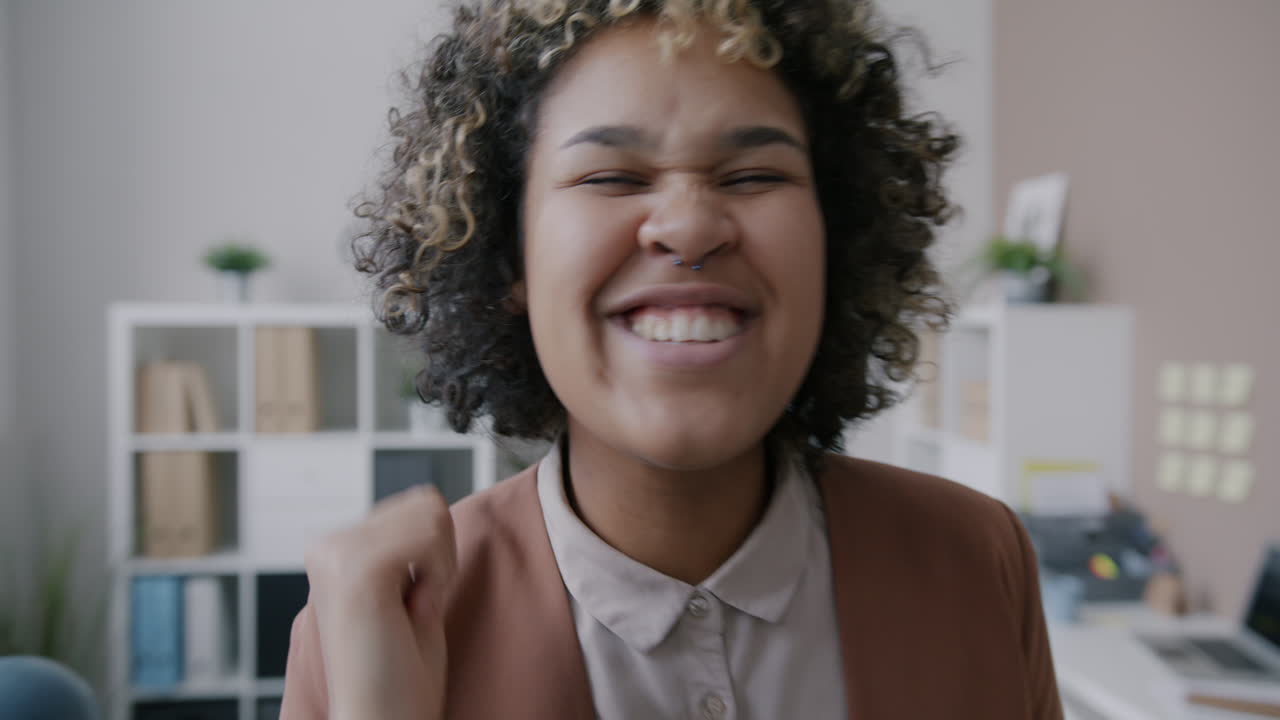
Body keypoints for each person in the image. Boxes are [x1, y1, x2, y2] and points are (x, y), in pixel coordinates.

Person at [281, 1, 1064, 718]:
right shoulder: (367, 630)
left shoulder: (977, 556)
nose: (689, 226)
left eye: (755, 175)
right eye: (611, 176)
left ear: (836, 240)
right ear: (508, 255)